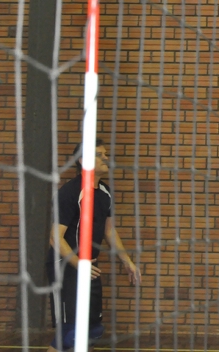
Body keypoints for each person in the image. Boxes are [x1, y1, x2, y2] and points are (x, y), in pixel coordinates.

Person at [46, 139, 141, 352]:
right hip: (66, 267)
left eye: (105, 154)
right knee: (69, 333)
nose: (106, 158)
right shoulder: (70, 193)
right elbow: (55, 238)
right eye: (100, 155)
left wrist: (127, 261)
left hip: (90, 268)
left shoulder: (105, 192)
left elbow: (109, 231)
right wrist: (79, 264)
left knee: (92, 330)